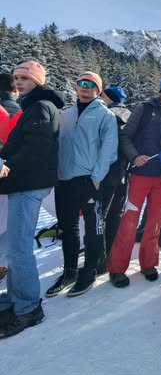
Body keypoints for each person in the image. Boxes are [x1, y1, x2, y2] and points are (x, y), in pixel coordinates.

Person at [0, 61, 64, 338]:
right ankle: (13, 300)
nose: (18, 82)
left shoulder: (39, 107)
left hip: (28, 184)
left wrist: (6, 164)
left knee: (19, 249)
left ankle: (28, 308)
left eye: (25, 78)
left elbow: (37, 148)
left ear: (37, 81)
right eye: (16, 77)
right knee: (17, 248)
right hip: (25, 182)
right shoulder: (34, 106)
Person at [46, 71, 118, 298]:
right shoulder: (66, 114)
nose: (85, 87)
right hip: (64, 179)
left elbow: (109, 151)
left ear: (98, 89)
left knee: (94, 227)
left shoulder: (105, 115)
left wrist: (96, 177)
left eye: (90, 84)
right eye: (81, 83)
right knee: (68, 227)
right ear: (76, 86)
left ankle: (89, 271)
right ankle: (69, 271)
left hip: (88, 180)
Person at [108, 74, 161, 287]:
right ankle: (117, 268)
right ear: (160, 91)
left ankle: (148, 263)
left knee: (155, 223)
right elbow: (125, 136)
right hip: (140, 175)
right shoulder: (144, 108)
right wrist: (134, 156)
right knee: (129, 221)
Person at [97, 85, 131, 273]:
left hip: (105, 172)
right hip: (123, 173)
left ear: (109, 98)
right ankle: (111, 252)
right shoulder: (130, 115)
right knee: (116, 214)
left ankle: (99, 258)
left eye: (103, 95)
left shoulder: (105, 115)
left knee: (99, 215)